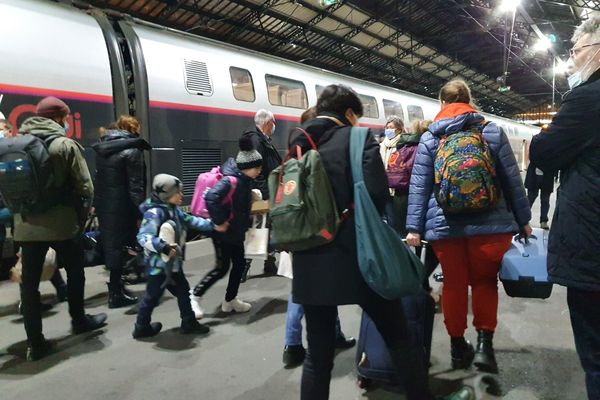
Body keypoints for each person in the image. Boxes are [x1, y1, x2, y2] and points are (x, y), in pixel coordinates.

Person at [290, 84, 473, 400]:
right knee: (398, 337)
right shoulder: (358, 140)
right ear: (349, 113)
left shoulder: (299, 143)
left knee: (317, 356)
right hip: (359, 258)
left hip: (309, 259)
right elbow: (376, 197)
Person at [406, 80, 532, 374]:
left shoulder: (430, 138)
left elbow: (419, 187)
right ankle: (485, 346)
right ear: (469, 101)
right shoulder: (490, 131)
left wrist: (414, 227)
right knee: (486, 282)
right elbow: (512, 180)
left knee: (453, 284)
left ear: (442, 104)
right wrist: (524, 220)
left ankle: (456, 346)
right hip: (491, 224)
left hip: (445, 226)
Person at [529, 16, 600, 400]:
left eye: (575, 52)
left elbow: (545, 152)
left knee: (596, 355)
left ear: (597, 50)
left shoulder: (589, 98)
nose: (571, 62)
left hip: (593, 250)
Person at [15, 96, 107, 361]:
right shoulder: (64, 145)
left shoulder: (16, 144)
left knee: (29, 285)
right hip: (63, 225)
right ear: (59, 118)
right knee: (75, 273)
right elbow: (86, 188)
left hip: (26, 226)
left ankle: (35, 343)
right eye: (65, 118)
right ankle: (79, 320)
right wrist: (79, 220)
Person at [281, 107, 355, 368]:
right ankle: (292, 344)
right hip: (316, 233)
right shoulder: (318, 155)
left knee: (311, 289)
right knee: (305, 292)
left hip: (294, 231)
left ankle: (327, 337)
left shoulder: (293, 154)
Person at [133, 174, 220, 338]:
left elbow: (192, 220)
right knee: (152, 297)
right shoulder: (154, 213)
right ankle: (141, 326)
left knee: (182, 291)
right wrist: (163, 246)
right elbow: (143, 237)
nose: (181, 195)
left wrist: (213, 226)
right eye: (177, 193)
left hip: (173, 265)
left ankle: (188, 321)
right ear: (166, 195)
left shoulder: (174, 210)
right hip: (158, 267)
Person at [189, 137, 262, 318]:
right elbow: (211, 197)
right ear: (247, 167)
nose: (259, 171)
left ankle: (230, 301)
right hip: (223, 232)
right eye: (257, 168)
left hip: (235, 231)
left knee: (239, 264)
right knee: (221, 268)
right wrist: (220, 221)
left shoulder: (244, 180)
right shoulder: (231, 181)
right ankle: (194, 296)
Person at [93, 115, 151, 308]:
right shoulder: (132, 151)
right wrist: (141, 213)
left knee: (114, 248)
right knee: (125, 248)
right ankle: (116, 294)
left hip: (106, 205)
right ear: (133, 129)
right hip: (124, 207)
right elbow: (135, 187)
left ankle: (116, 289)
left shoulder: (104, 149)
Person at [241, 109, 282, 275]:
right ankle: (244, 267)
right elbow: (256, 171)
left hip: (264, 190)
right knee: (258, 229)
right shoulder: (256, 140)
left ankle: (269, 263)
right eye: (273, 122)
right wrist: (266, 194)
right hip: (260, 192)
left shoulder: (262, 139)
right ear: (267, 123)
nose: (275, 126)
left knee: (268, 228)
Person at [524, 156, 554, 230]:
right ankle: (524, 219)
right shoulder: (535, 144)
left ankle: (543, 221)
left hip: (547, 175)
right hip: (534, 175)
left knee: (545, 200)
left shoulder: (552, 145)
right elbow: (532, 156)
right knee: (530, 198)